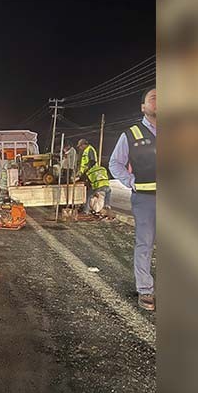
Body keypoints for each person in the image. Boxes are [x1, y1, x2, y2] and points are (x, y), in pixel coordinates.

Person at [109, 87, 157, 311]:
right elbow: (114, 163)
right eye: (153, 98)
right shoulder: (131, 134)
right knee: (145, 243)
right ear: (143, 107)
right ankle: (145, 289)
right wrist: (131, 181)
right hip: (145, 199)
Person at [75, 139, 111, 214]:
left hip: (90, 173)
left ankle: (86, 210)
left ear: (84, 145)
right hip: (90, 175)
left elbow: (92, 161)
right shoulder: (85, 151)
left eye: (80, 146)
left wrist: (86, 170)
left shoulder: (90, 149)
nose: (80, 148)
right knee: (107, 191)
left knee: (88, 193)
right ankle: (106, 206)